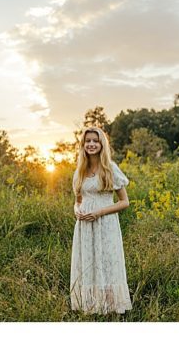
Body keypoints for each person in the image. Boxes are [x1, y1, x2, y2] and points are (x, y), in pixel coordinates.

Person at [71, 127, 132, 314]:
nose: (91, 144)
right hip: (85, 226)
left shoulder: (110, 168)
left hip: (105, 224)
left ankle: (111, 306)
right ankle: (91, 305)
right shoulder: (80, 170)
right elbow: (77, 201)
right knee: (89, 262)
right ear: (83, 145)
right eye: (87, 141)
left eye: (95, 141)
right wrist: (77, 212)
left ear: (101, 144)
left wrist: (99, 212)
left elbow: (124, 202)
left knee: (107, 261)